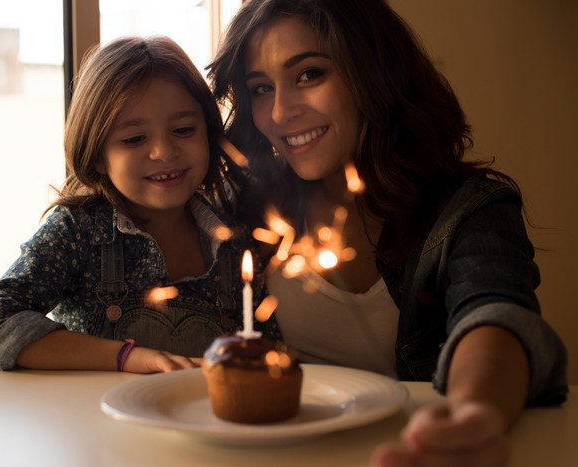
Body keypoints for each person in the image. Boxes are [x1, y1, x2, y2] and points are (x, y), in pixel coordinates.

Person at [207, 0, 568, 465]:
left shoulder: (466, 209)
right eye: (260, 88)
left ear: (373, 74)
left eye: (309, 74)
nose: (279, 112)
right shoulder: (246, 211)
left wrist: (472, 414)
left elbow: (495, 315)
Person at [0, 36, 277, 375]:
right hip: (99, 425)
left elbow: (270, 350)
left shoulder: (235, 237)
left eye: (184, 130)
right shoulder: (78, 230)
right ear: (97, 155)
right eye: (133, 139)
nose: (163, 151)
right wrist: (127, 358)